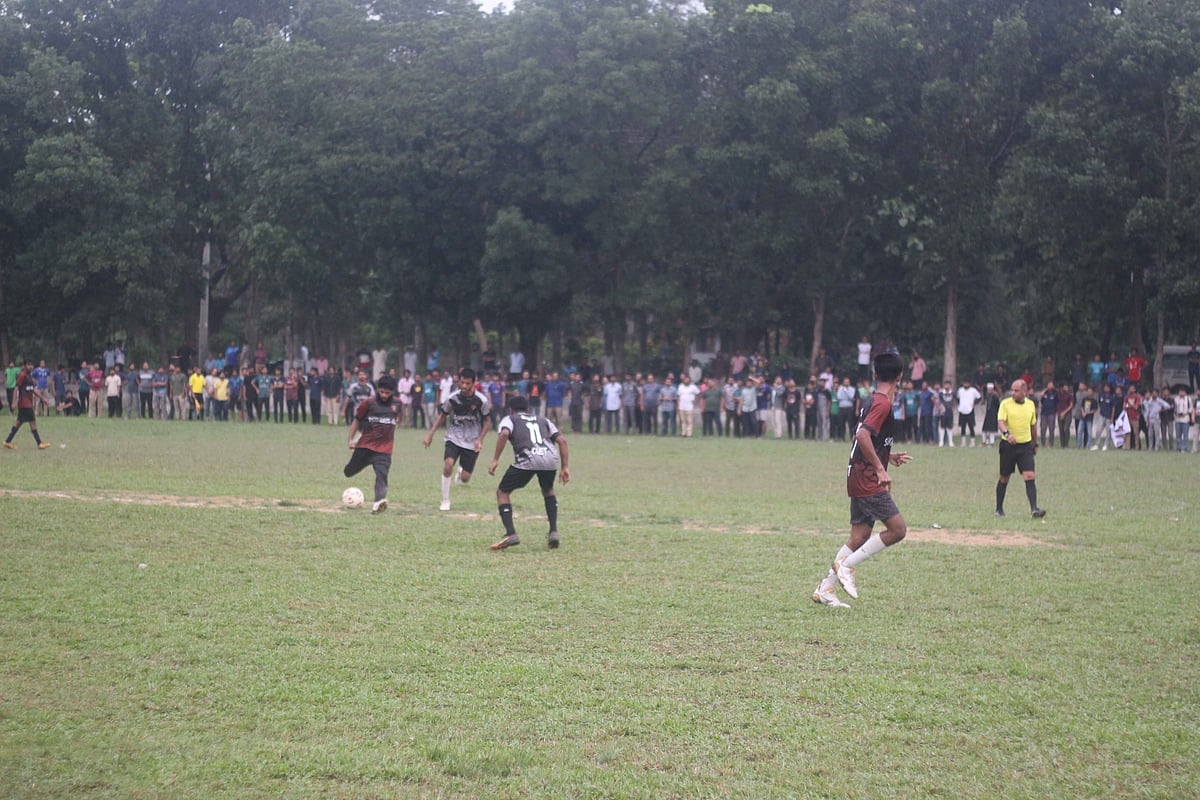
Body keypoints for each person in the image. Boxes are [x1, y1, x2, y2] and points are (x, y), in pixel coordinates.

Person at [813, 352, 912, 608]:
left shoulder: (870, 400)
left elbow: (864, 436)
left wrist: (887, 457)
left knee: (860, 535)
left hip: (857, 474)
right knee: (898, 530)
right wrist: (880, 468)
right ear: (900, 377)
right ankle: (847, 567)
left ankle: (826, 588)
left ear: (875, 375)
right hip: (867, 478)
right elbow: (863, 438)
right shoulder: (883, 404)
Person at [486, 395, 571, 550]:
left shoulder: (510, 419)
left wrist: (495, 460)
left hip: (528, 458)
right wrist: (565, 467)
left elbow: (504, 434)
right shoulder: (544, 420)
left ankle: (511, 534)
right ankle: (553, 531)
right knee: (548, 490)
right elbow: (562, 441)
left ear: (511, 409)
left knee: (503, 492)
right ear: (528, 409)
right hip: (549, 458)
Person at [423, 368, 491, 511]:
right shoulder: (452, 398)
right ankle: (445, 500)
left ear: (474, 383)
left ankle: (461, 473)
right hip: (453, 437)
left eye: (468, 384)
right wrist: (430, 434)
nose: (464, 386)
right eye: (462, 383)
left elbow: (487, 421)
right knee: (448, 464)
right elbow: (442, 416)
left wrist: (480, 440)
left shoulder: (481, 400)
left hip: (472, 441)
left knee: (465, 479)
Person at [343, 374, 404, 514]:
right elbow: (357, 420)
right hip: (365, 446)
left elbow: (398, 417)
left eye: (387, 393)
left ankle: (378, 503)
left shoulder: (398, 403)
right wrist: (350, 440)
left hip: (384, 449)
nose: (383, 395)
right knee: (348, 472)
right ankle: (363, 463)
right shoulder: (368, 403)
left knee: (382, 476)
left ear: (392, 392)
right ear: (377, 389)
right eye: (381, 392)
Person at [995, 380, 1046, 519]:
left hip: (1025, 446)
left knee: (1030, 476)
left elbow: (1033, 427)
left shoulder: (1030, 405)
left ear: (1024, 391)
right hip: (1008, 446)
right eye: (1012, 390)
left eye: (1016, 390)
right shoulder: (1005, 404)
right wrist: (1007, 434)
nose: (1013, 393)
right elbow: (1001, 422)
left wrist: (1034, 444)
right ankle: (999, 509)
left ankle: (1034, 509)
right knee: (1004, 478)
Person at [3, 359, 51, 449]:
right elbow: (16, 388)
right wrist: (13, 402)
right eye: (28, 365)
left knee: (19, 423)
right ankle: (39, 443)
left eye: (31, 365)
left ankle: (7, 441)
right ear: (24, 366)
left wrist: (43, 398)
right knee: (32, 422)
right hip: (24, 403)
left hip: (27, 403)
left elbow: (33, 389)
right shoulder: (22, 375)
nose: (31, 367)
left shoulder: (29, 376)